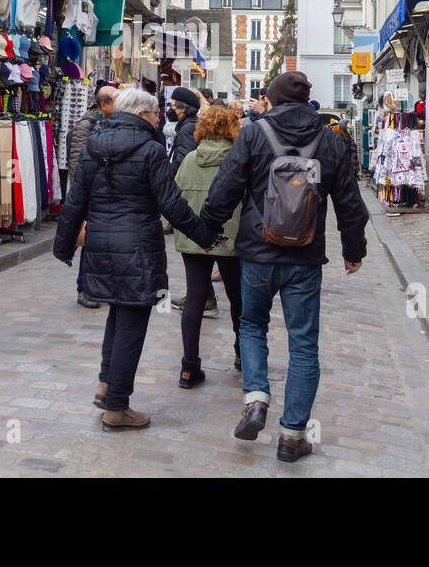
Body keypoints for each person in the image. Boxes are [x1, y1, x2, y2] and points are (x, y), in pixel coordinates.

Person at [200, 70, 368, 463]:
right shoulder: (329, 139)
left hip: (258, 253)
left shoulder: (254, 134)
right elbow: (349, 201)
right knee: (304, 344)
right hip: (305, 258)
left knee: (252, 325)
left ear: (272, 100)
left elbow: (225, 188)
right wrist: (353, 250)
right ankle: (292, 436)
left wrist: (207, 231)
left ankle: (256, 398)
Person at [54, 88, 214, 432]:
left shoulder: (95, 146)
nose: (160, 119)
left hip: (100, 244)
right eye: (156, 114)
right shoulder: (151, 150)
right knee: (132, 321)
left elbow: (75, 200)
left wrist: (64, 245)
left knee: (117, 312)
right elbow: (171, 204)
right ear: (142, 114)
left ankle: (106, 383)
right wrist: (205, 237)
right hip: (138, 247)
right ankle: (117, 407)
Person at [172, 103, 244, 387]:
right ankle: (241, 355)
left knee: (195, 299)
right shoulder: (237, 160)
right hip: (231, 236)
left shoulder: (190, 159)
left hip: (193, 237)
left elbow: (174, 194)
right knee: (237, 297)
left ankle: (189, 367)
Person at [66, 84, 119, 310]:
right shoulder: (86, 126)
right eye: (116, 101)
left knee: (102, 245)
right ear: (104, 104)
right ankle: (84, 288)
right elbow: (78, 164)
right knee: (89, 243)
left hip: (105, 194)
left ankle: (98, 286)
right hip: (91, 195)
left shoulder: (109, 124)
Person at [167, 87, 201, 176]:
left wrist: (169, 173)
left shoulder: (188, 128)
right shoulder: (190, 123)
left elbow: (183, 159)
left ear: (183, 108)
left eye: (172, 106)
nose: (170, 110)